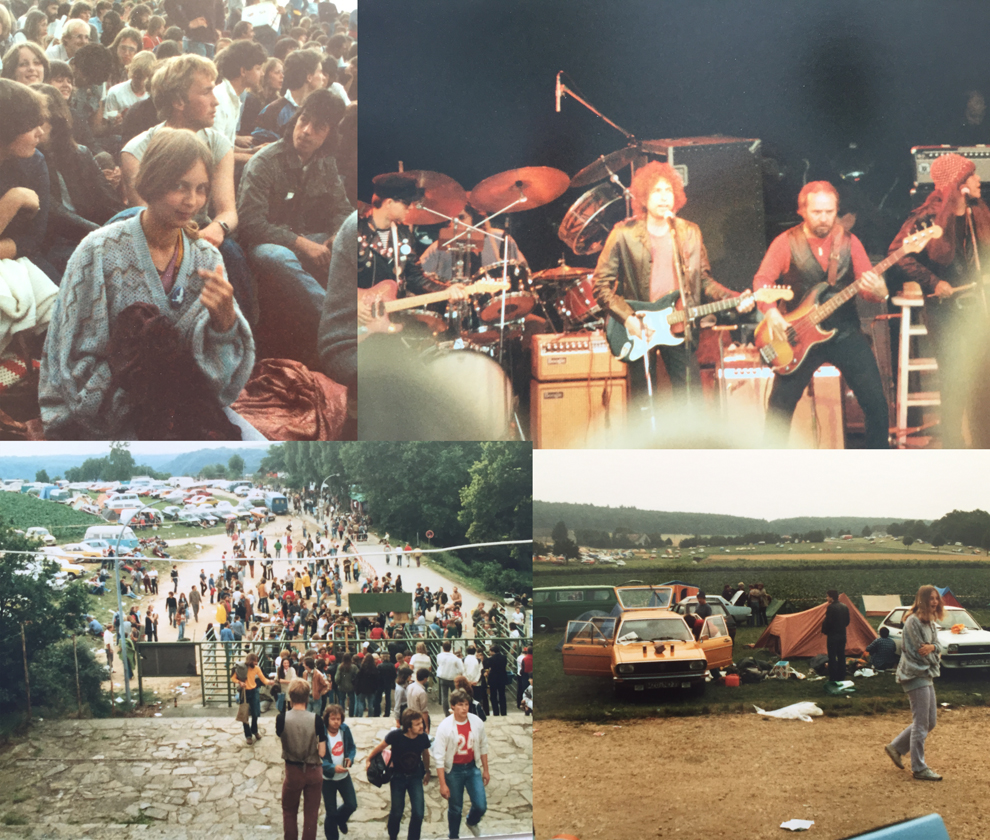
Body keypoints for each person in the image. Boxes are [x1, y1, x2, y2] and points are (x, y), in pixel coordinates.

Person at [39, 127, 256, 438]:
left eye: (201, 188)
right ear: (152, 182)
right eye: (180, 186)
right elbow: (69, 356)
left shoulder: (206, 258)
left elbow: (221, 380)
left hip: (179, 404)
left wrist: (224, 326)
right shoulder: (97, 251)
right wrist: (137, 395)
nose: (191, 201)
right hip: (106, 407)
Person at [592, 160, 753, 406]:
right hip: (640, 328)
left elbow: (703, 281)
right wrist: (628, 318)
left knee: (691, 402)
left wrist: (734, 299)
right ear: (643, 198)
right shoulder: (623, 234)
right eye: (656, 191)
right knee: (643, 405)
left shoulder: (689, 232)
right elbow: (601, 286)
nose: (663, 197)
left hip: (679, 326)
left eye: (668, 190)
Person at [754, 181, 889, 448]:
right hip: (799, 337)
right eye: (817, 212)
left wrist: (881, 290)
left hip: (844, 333)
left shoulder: (850, 243)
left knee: (876, 404)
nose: (824, 218)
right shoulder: (786, 242)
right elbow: (762, 282)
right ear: (802, 211)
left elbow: (868, 291)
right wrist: (771, 313)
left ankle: (877, 466)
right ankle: (771, 472)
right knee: (779, 409)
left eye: (830, 212)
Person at [889, 153, 990, 448]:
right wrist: (934, 282)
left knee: (984, 380)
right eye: (971, 176)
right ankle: (954, 449)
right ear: (958, 183)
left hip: (977, 309)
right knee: (954, 379)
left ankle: (984, 448)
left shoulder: (976, 211)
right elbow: (898, 254)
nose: (977, 180)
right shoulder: (926, 217)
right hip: (944, 311)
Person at [885, 585, 945, 781]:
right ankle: (919, 768)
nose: (935, 602)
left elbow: (937, 645)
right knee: (921, 723)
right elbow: (921, 650)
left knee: (930, 722)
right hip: (914, 674)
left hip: (927, 673)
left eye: (937, 598)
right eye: (931, 598)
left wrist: (933, 648)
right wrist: (934, 653)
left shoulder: (930, 622)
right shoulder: (912, 622)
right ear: (922, 600)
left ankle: (896, 747)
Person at [366, 709, 431, 840]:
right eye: (417, 724)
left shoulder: (423, 737)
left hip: (415, 777)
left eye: (422, 723)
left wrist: (427, 770)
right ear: (408, 726)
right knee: (397, 811)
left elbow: (426, 753)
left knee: (418, 812)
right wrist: (368, 759)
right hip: (398, 777)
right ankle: (393, 835)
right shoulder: (395, 736)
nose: (421, 726)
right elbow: (380, 747)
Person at [433, 688, 489, 840]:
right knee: (455, 808)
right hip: (454, 771)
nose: (464, 708)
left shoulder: (476, 722)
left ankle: (471, 821)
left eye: (466, 704)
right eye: (460, 705)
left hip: (472, 767)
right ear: (453, 706)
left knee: (481, 805)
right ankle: (454, 835)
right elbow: (438, 756)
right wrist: (442, 783)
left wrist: (485, 770)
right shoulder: (445, 726)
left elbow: (483, 745)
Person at [276, 677, 327, 840]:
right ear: (308, 696)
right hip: (313, 770)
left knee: (289, 811)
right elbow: (322, 752)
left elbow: (280, 734)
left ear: (290, 696)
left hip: (293, 771)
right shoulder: (317, 720)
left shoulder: (281, 719)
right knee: (311, 814)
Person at [320, 703, 357, 840]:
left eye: (338, 719)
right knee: (331, 812)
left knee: (352, 804)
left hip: (343, 776)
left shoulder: (345, 730)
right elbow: (318, 758)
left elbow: (352, 747)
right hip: (328, 779)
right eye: (333, 718)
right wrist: (331, 767)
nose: (336, 722)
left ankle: (341, 820)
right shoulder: (322, 733)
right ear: (327, 719)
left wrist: (350, 758)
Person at [232, 650, 272, 744]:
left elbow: (263, 679)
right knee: (244, 714)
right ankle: (248, 735)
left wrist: (270, 682)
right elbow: (233, 678)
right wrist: (240, 682)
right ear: (250, 660)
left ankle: (255, 731)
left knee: (255, 713)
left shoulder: (257, 668)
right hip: (244, 692)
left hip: (254, 691)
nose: (256, 662)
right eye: (255, 661)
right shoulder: (242, 668)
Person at [821, 589, 850, 682]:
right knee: (841, 655)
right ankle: (842, 676)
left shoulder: (831, 607)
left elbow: (828, 622)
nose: (826, 598)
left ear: (831, 597)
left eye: (827, 596)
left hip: (833, 636)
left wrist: (825, 631)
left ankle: (833, 677)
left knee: (832, 656)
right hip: (842, 635)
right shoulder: (844, 606)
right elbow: (847, 621)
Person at [435, 639, 464, 716]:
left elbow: (438, 664)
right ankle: (455, 710)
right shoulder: (455, 658)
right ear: (450, 647)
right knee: (455, 695)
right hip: (452, 678)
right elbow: (461, 669)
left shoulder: (439, 656)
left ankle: (447, 713)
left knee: (444, 696)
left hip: (443, 677)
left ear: (443, 647)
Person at [483, 645, 508, 717]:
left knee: (493, 696)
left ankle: (496, 712)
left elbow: (486, 666)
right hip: (502, 678)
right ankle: (503, 712)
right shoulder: (504, 658)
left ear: (493, 651)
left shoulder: (491, 659)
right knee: (502, 695)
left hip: (493, 678)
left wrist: (488, 658)